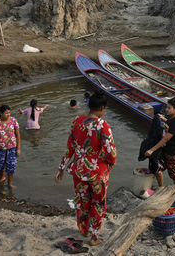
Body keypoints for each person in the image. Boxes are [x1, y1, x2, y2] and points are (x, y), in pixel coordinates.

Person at [55, 90, 116, 246]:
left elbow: (70, 147)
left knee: (83, 201)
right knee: (98, 204)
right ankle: (94, 237)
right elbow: (110, 152)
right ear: (102, 108)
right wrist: (110, 163)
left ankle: (84, 230)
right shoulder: (104, 125)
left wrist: (61, 167)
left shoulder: (77, 121)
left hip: (79, 171)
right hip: (97, 174)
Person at [145, 97, 175, 189]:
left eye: (169, 108)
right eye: (166, 107)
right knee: (157, 167)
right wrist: (163, 119)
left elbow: (166, 139)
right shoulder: (172, 119)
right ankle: (161, 187)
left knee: (174, 174)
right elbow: (169, 122)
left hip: (172, 153)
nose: (166, 109)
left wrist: (152, 149)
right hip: (165, 150)